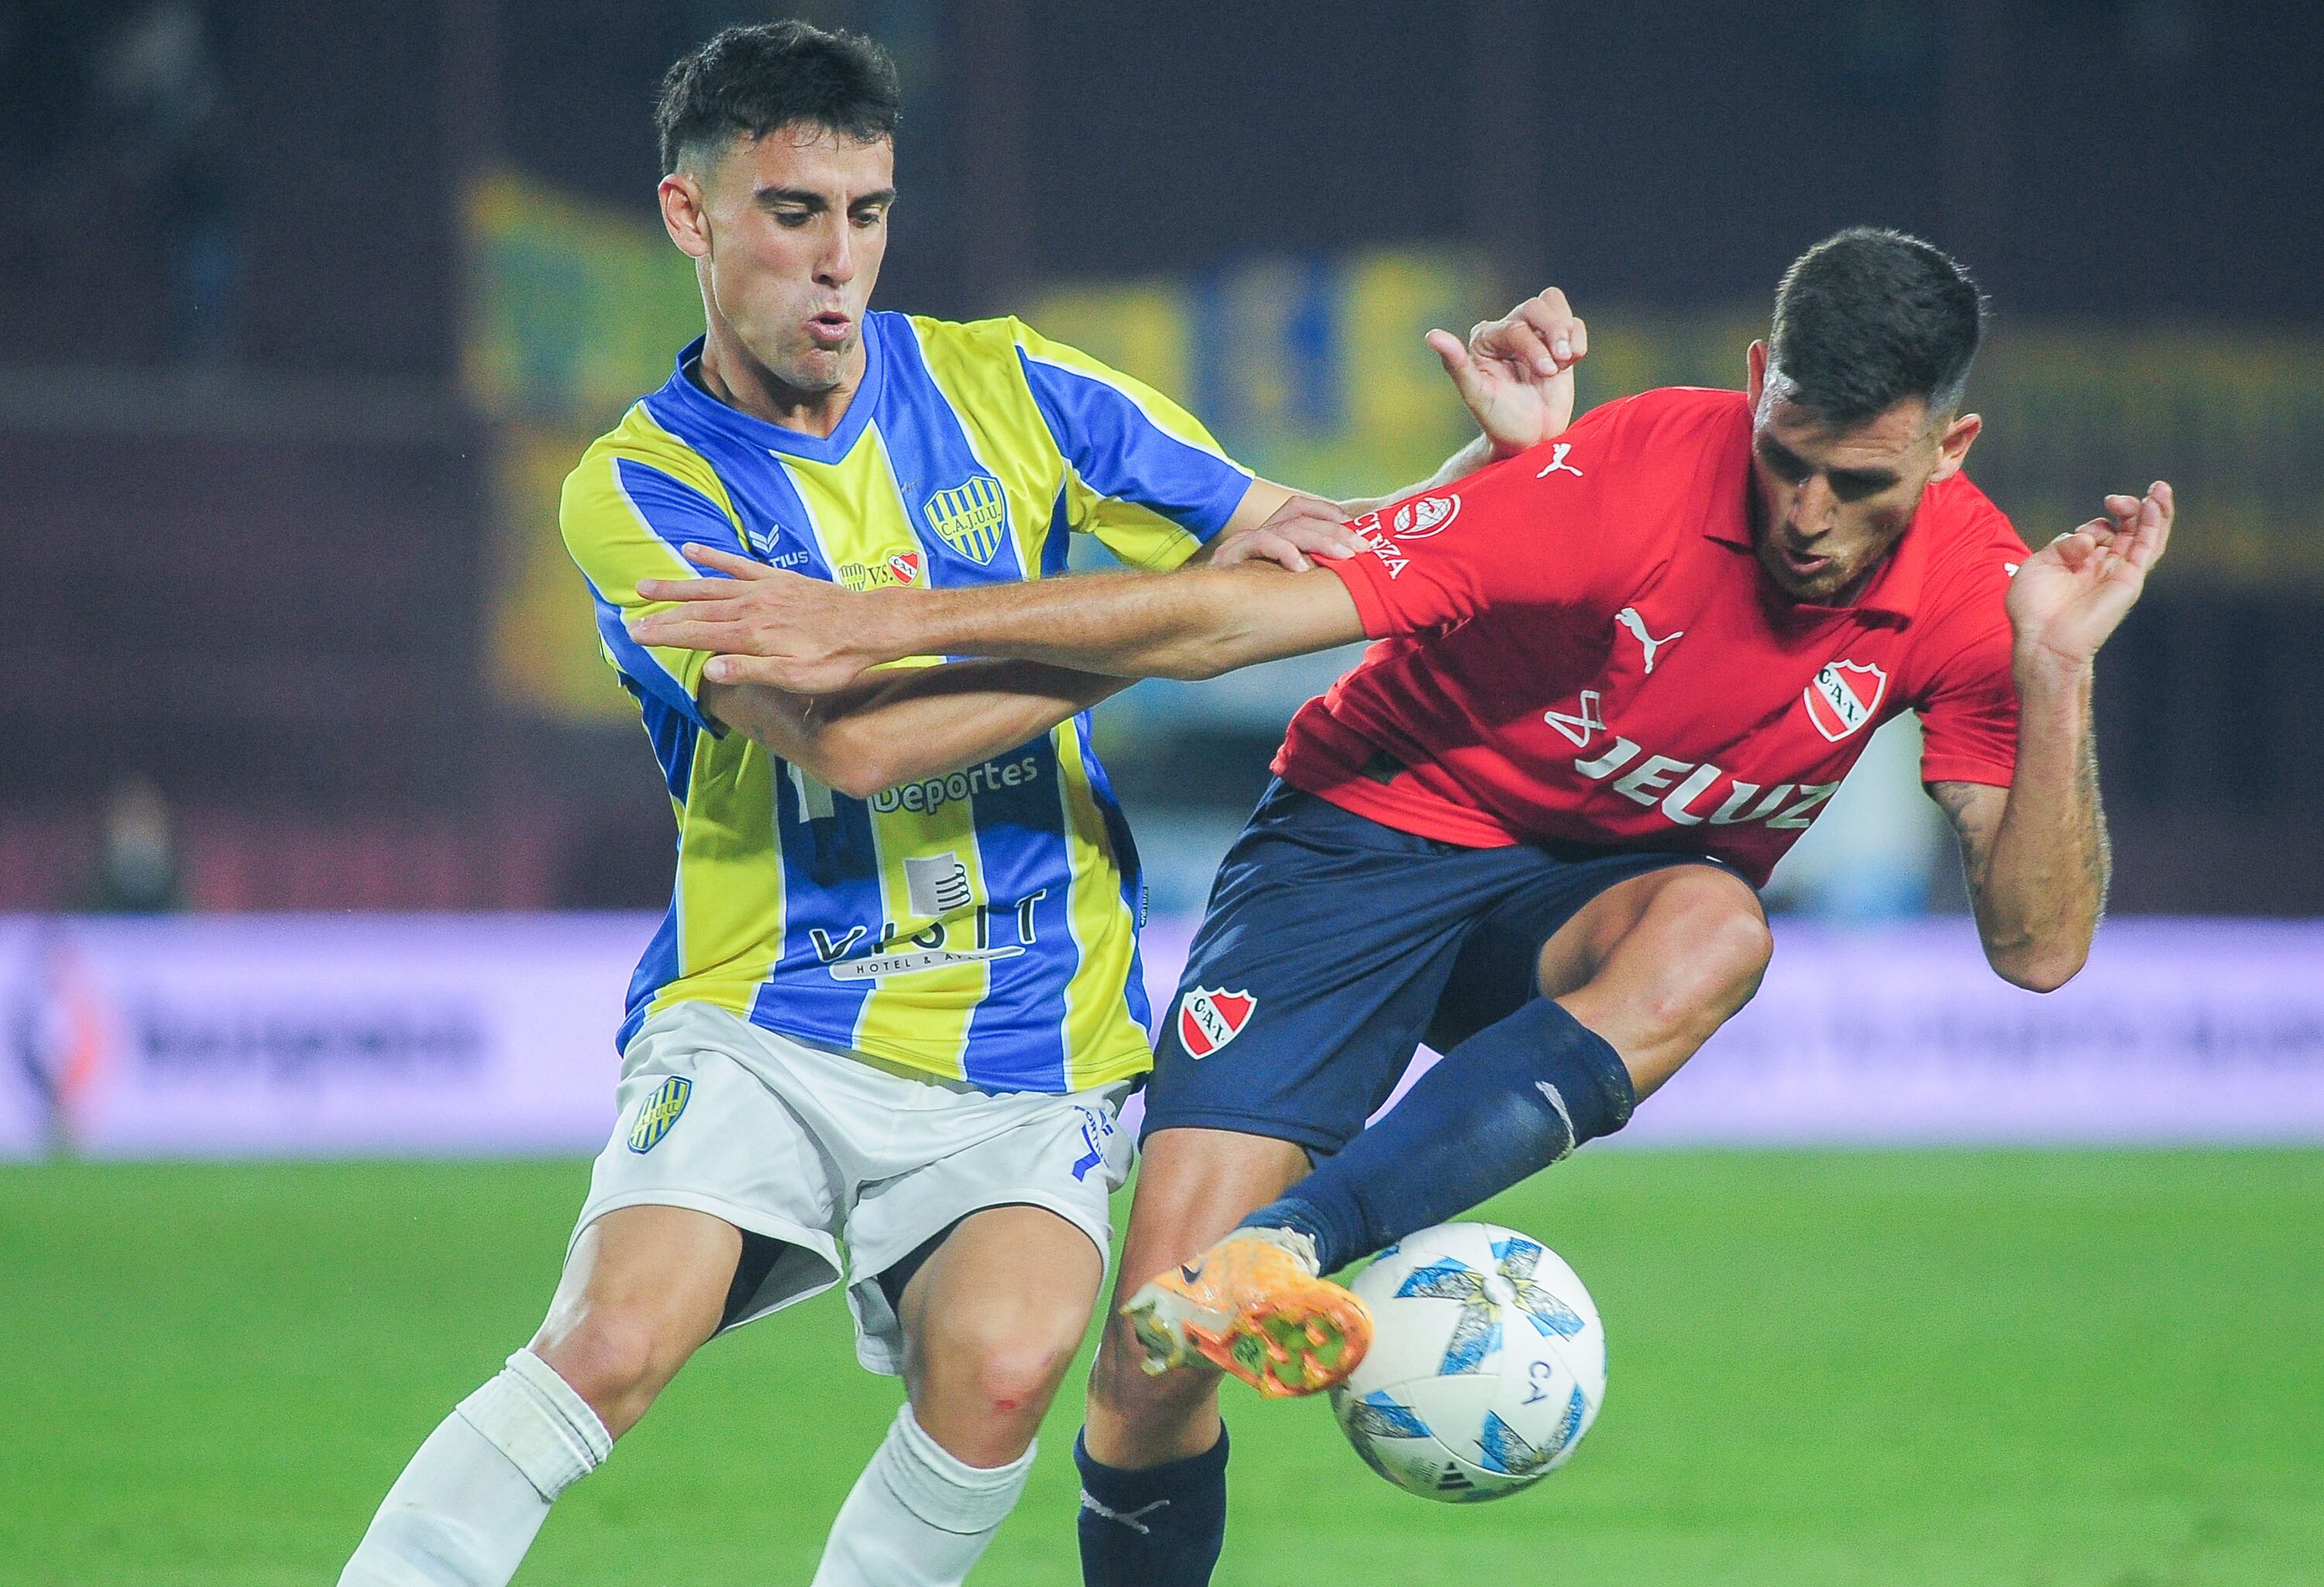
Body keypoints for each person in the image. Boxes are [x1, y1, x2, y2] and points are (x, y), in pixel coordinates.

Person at [630, 227, 2173, 1586]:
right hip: (1367, 840)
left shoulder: (1986, 600)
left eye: (1862, 483)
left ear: (1953, 447)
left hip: (1586, 907)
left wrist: (2056, 665)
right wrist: (873, 625)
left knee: (1717, 926)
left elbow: (2037, 947)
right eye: (1788, 459)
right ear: (1760, 378)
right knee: (1153, 1358)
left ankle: (1298, 1237)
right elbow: (1235, 611)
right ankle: (1239, 1283)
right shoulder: (1615, 482)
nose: (1810, 517)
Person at [338, 19, 1584, 1587]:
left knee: (999, 1372)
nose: (836, 262)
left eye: (866, 213)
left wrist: (1492, 471)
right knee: (616, 1336)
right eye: (793, 213)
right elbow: (850, 745)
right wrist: (1157, 627)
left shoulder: (1010, 386)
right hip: (768, 1014)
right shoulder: (640, 486)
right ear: (690, 216)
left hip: (1032, 1029)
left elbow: (1309, 553)